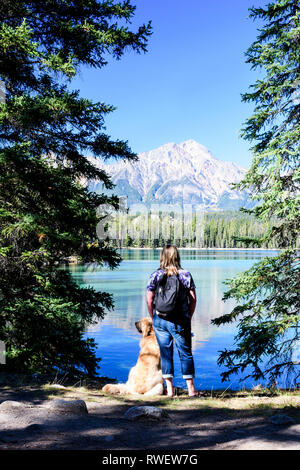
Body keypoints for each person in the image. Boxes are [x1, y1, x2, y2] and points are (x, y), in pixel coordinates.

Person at [146, 244, 198, 398]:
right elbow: (193, 300)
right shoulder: (185, 275)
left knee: (166, 354)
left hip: (160, 319)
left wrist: (153, 317)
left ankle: (169, 391)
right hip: (180, 320)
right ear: (177, 256)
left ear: (162, 256)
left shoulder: (155, 275)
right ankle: (191, 391)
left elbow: (149, 299)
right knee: (186, 354)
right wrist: (188, 315)